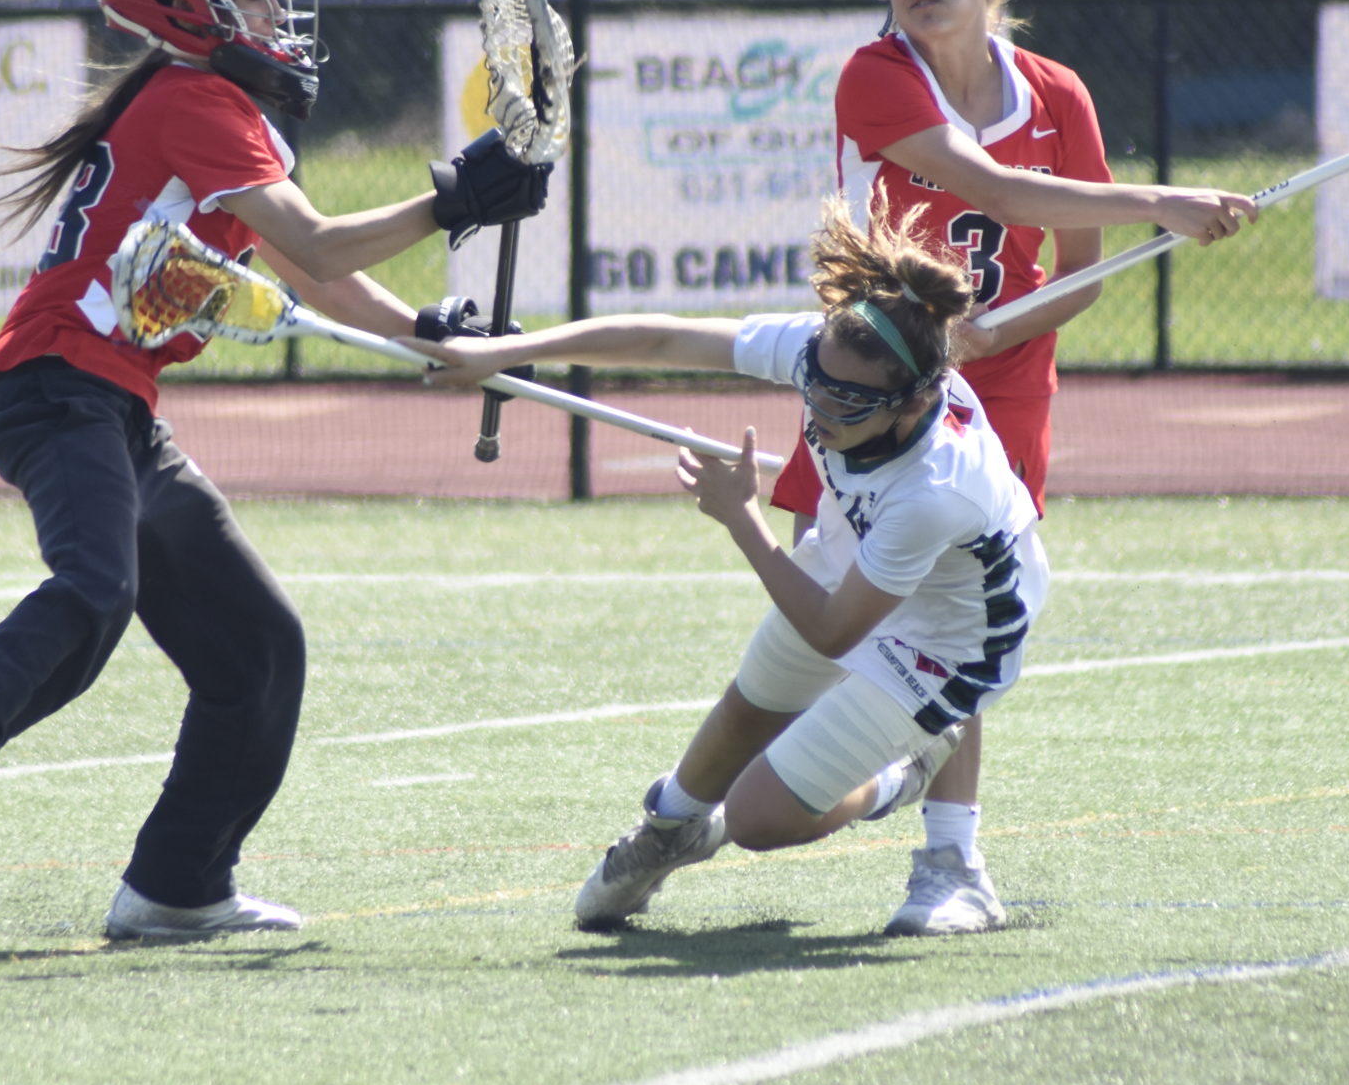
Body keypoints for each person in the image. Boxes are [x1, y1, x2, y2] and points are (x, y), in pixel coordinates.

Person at [0, 0, 552, 941]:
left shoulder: (225, 111)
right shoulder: (193, 99)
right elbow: (324, 244)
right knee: (97, 585)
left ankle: (177, 886)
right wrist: (456, 199)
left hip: (112, 401)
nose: (275, 6)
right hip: (55, 382)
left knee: (257, 648)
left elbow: (314, 275)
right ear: (184, 1)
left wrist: (431, 335)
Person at [760, 0, 1235, 935]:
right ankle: (877, 780)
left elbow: (1080, 275)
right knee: (829, 630)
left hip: (1001, 390)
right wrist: (1166, 201)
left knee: (954, 619)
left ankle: (951, 866)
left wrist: (989, 344)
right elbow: (993, 190)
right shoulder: (875, 76)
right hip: (869, 381)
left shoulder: (1058, 94)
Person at [413, 198, 1059, 933]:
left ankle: (911, 777)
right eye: (811, 383)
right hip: (865, 549)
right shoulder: (832, 354)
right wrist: (497, 355)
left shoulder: (936, 490)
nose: (816, 409)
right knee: (751, 704)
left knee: (758, 816)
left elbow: (831, 632)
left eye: (842, 400)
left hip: (958, 631)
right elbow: (662, 339)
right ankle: (671, 828)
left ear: (910, 403)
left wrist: (744, 518)